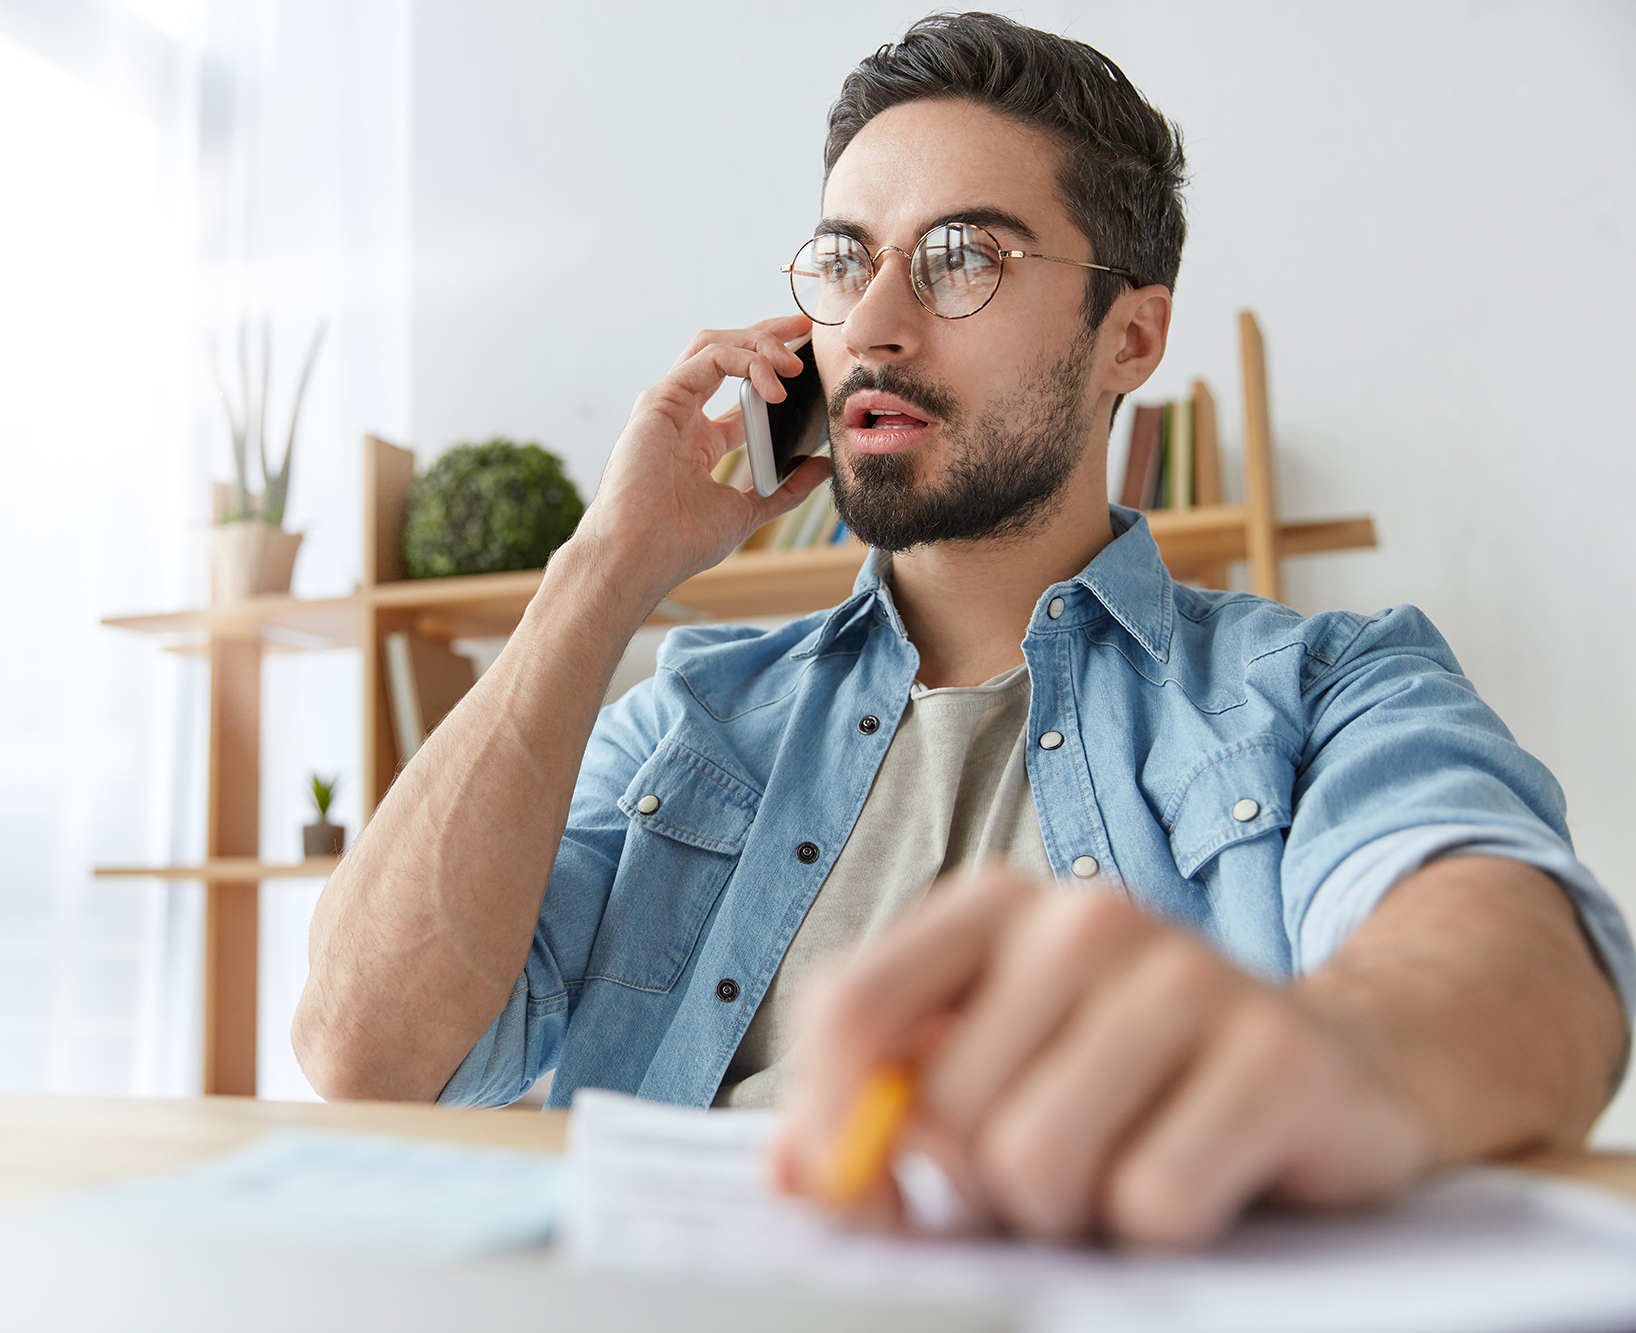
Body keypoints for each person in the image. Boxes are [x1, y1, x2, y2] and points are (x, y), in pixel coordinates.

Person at [294, 12, 1632, 1247]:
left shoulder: (1326, 687)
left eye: (962, 260)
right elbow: (363, 1050)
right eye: (844, 262)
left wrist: (1336, 1056)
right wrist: (604, 569)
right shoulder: (687, 718)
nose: (871, 326)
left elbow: (1529, 970)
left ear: (1131, 334)